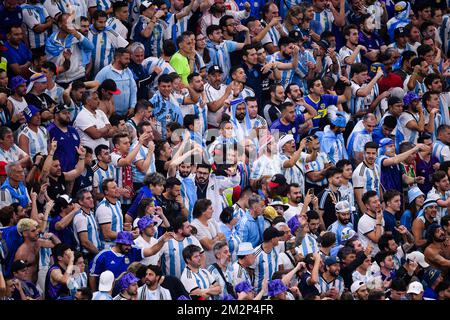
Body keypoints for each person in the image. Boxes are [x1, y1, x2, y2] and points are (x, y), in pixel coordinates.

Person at [89, 230, 172, 289]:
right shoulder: (103, 255)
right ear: (119, 243)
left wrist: (162, 241)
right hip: (109, 292)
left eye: (130, 244)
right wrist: (94, 293)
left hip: (129, 292)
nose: (129, 247)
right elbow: (93, 276)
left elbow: (151, 251)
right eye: (126, 245)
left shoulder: (133, 251)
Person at [95, 47, 137, 117]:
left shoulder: (128, 71)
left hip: (127, 114)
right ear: (117, 58)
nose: (129, 61)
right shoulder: (105, 72)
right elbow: (95, 91)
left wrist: (132, 106)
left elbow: (133, 90)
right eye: (126, 59)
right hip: (111, 115)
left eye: (129, 59)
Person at [251, 226, 284, 293]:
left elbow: (295, 243)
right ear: (272, 239)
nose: (279, 238)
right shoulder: (256, 254)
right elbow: (250, 273)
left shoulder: (277, 247)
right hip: (260, 293)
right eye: (277, 236)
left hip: (274, 291)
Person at [357, 191, 384, 256]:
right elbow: (377, 239)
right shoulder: (364, 221)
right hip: (369, 257)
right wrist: (378, 222)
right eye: (374, 202)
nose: (378, 204)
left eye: (378, 201)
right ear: (367, 206)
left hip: (380, 254)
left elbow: (382, 235)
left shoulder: (379, 215)